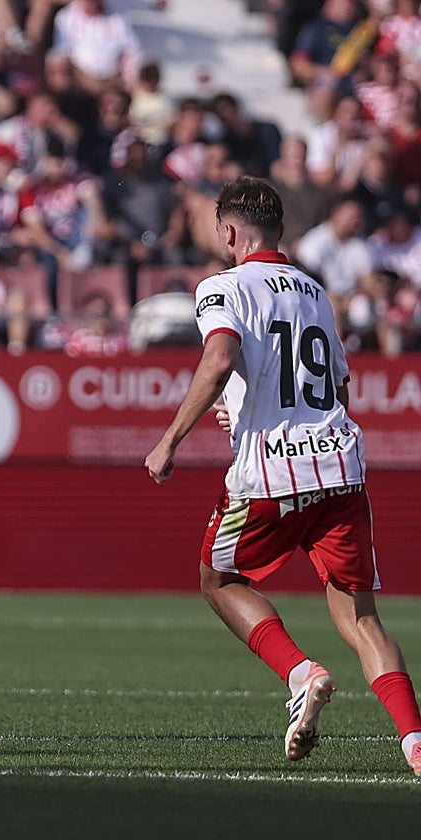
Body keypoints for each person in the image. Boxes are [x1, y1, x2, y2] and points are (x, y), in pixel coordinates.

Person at [143, 176, 421, 776]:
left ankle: (300, 672)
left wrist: (169, 441)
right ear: (282, 232)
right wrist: (248, 406)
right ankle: (415, 741)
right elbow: (336, 385)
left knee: (217, 578)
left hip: (271, 469)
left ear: (229, 232)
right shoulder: (316, 291)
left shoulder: (220, 285)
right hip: (340, 465)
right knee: (361, 615)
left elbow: (219, 359)